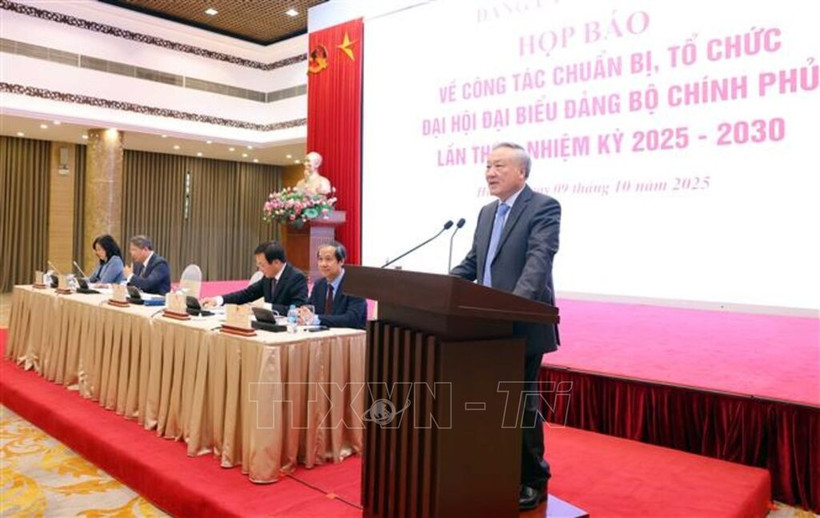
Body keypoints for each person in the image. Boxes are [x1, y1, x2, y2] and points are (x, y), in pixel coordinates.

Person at [450, 142, 560, 512]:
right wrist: (438, 288)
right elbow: (473, 264)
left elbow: (538, 262)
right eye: (487, 166)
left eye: (498, 166)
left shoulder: (543, 207)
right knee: (496, 402)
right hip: (488, 327)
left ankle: (533, 478)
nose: (490, 172)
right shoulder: (486, 212)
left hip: (523, 325)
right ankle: (499, 467)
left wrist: (512, 307)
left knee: (522, 404)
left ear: (521, 173)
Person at [201, 241, 307, 314]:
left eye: (262, 265)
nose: (259, 269)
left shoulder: (296, 278)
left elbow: (298, 309)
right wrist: (218, 300)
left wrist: (265, 307)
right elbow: (247, 294)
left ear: (276, 262)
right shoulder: (268, 277)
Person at [298, 241, 367, 329]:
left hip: (351, 338)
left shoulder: (355, 284)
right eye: (320, 259)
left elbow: (352, 319)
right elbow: (309, 308)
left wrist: (317, 319)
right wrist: (303, 312)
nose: (323, 264)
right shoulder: (319, 284)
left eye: (328, 259)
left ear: (341, 261)